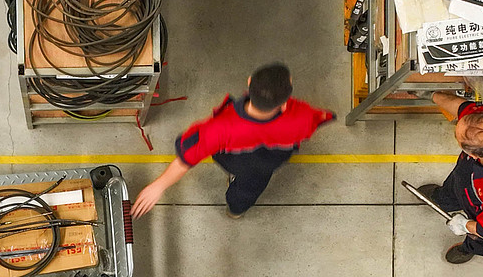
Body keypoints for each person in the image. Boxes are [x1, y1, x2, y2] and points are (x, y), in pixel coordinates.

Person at [128, 64, 335, 220]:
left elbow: (186, 158)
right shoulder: (302, 118)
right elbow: (322, 118)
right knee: (247, 191)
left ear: (249, 82)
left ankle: (232, 179)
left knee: (237, 171)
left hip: (231, 159)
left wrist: (158, 186)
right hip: (265, 164)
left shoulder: (219, 129)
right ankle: (235, 211)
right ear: (283, 102)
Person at [406, 92, 483, 264]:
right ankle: (443, 199)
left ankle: (469, 249)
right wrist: (431, 94)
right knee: (457, 184)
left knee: (480, 239)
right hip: (467, 177)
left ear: (472, 154)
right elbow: (461, 107)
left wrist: (465, 225)